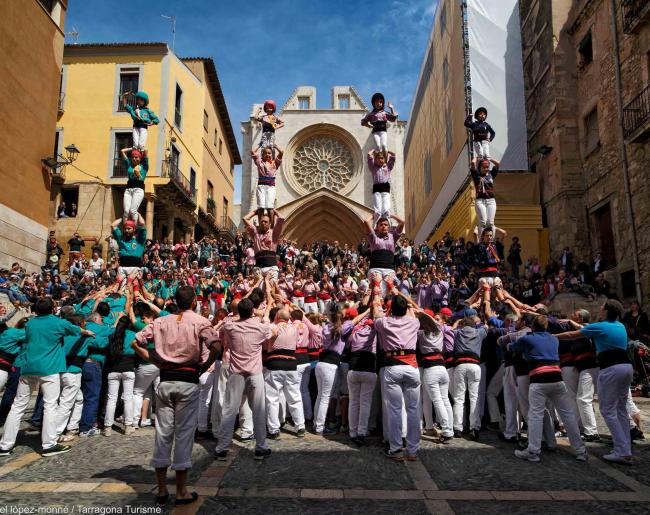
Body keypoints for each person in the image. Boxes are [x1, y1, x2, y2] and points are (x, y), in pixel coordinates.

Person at [133, 286, 220, 506]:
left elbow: (136, 342)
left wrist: (157, 362)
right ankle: (181, 490)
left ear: (175, 301)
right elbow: (217, 346)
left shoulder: (161, 321)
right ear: (193, 303)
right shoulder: (200, 322)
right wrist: (205, 365)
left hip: (166, 379)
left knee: (163, 433)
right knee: (183, 434)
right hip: (188, 380)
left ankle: (162, 489)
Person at [0, 297, 94, 457]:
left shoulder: (30, 324)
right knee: (50, 405)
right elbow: (76, 329)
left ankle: (5, 445)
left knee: (18, 406)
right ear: (52, 309)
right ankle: (49, 444)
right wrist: (87, 332)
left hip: (28, 367)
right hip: (49, 368)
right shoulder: (58, 323)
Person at [558, 300, 634, 464]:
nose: (600, 308)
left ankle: (622, 451)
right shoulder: (620, 326)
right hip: (626, 367)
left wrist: (551, 336)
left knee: (607, 409)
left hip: (610, 368)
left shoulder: (600, 326)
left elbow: (572, 334)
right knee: (621, 408)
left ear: (606, 311)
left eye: (603, 307)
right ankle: (625, 448)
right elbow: (582, 329)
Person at [511, 315, 587, 463]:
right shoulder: (554, 339)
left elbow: (513, 347)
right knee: (568, 416)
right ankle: (581, 450)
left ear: (532, 327)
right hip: (557, 378)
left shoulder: (528, 338)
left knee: (535, 415)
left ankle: (533, 451)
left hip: (539, 380)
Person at [213, 298, 272, 460]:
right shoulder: (260, 328)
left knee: (229, 410)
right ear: (252, 311)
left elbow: (225, 324)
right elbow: (269, 330)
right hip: (254, 373)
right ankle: (261, 446)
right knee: (259, 410)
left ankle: (222, 447)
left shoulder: (231, 326)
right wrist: (263, 314)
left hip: (236, 372)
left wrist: (236, 315)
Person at [373, 292, 421, 461]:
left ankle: (396, 449)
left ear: (391, 309)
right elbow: (415, 308)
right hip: (412, 366)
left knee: (394, 410)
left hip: (392, 366)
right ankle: (413, 450)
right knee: (413, 410)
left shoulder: (384, 322)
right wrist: (403, 298)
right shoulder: (414, 322)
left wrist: (381, 297)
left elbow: (376, 313)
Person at [265, 307, 305, 438]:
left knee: (272, 399)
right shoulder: (295, 327)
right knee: (295, 397)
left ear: (276, 317)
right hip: (291, 364)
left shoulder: (272, 327)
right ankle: (300, 427)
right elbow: (301, 318)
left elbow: (266, 323)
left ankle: (274, 430)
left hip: (275, 363)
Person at [417, 310, 454, 443]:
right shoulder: (439, 330)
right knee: (445, 400)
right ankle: (450, 428)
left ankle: (446, 430)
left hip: (430, 368)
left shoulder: (420, 334)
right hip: (442, 367)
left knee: (437, 400)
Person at [451, 312, 485, 440]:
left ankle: (458, 428)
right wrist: (476, 320)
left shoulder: (458, 333)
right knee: (474, 397)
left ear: (462, 325)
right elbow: (485, 326)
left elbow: (452, 330)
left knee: (459, 398)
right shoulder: (479, 332)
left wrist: (457, 321)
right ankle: (474, 427)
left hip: (460, 365)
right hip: (475, 365)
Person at [345, 307, 377, 445]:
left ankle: (352, 432)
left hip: (353, 368)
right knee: (365, 403)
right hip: (369, 368)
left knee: (354, 402)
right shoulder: (375, 333)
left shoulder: (354, 332)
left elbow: (347, 346)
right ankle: (362, 432)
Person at [363, 214, 405, 296]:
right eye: (381, 225)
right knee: (376, 292)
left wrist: (391, 215)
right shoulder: (373, 237)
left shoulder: (393, 237)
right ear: (377, 227)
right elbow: (366, 221)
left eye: (386, 225)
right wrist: (374, 215)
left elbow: (402, 222)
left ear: (389, 227)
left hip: (389, 269)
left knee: (391, 293)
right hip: (375, 268)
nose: (383, 226)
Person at [243, 209, 283, 281]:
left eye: (265, 221)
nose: (263, 223)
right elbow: (245, 219)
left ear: (270, 223)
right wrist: (255, 212)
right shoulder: (255, 233)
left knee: (270, 291)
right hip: (258, 268)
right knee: (258, 291)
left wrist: (273, 210)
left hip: (271, 268)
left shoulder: (274, 233)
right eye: (261, 221)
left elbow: (281, 218)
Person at [251, 145, 283, 224]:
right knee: (261, 207)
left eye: (269, 153)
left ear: (272, 155)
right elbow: (252, 152)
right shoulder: (260, 162)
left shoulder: (275, 163)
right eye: (265, 153)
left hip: (271, 186)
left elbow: (281, 152)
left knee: (270, 207)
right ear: (262, 155)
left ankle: (271, 226)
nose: (267, 155)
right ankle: (260, 224)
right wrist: (259, 146)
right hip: (261, 186)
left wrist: (275, 147)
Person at [470, 159, 499, 239]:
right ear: (480, 167)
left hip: (491, 201)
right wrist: (478, 157)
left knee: (490, 222)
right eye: (484, 167)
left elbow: (497, 164)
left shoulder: (491, 174)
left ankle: (491, 241)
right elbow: (473, 163)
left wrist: (489, 158)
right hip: (480, 201)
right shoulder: (476, 175)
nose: (486, 168)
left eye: (487, 167)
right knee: (483, 222)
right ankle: (482, 241)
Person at [367, 149, 396, 223]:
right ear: (375, 160)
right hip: (377, 187)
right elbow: (369, 155)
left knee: (386, 208)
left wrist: (387, 151)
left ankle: (387, 222)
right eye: (378, 158)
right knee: (378, 209)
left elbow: (393, 155)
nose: (380, 160)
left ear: (385, 159)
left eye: (382, 158)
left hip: (385, 187)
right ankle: (376, 223)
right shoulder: (373, 168)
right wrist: (373, 151)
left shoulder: (388, 167)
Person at [120, 148, 148, 221]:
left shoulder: (144, 166)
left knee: (133, 211)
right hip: (128, 190)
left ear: (140, 158)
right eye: (132, 157)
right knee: (126, 211)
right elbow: (122, 151)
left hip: (138, 190)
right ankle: (125, 229)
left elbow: (146, 150)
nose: (134, 159)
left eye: (136, 157)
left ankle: (133, 228)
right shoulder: (129, 165)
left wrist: (139, 148)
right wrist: (132, 148)